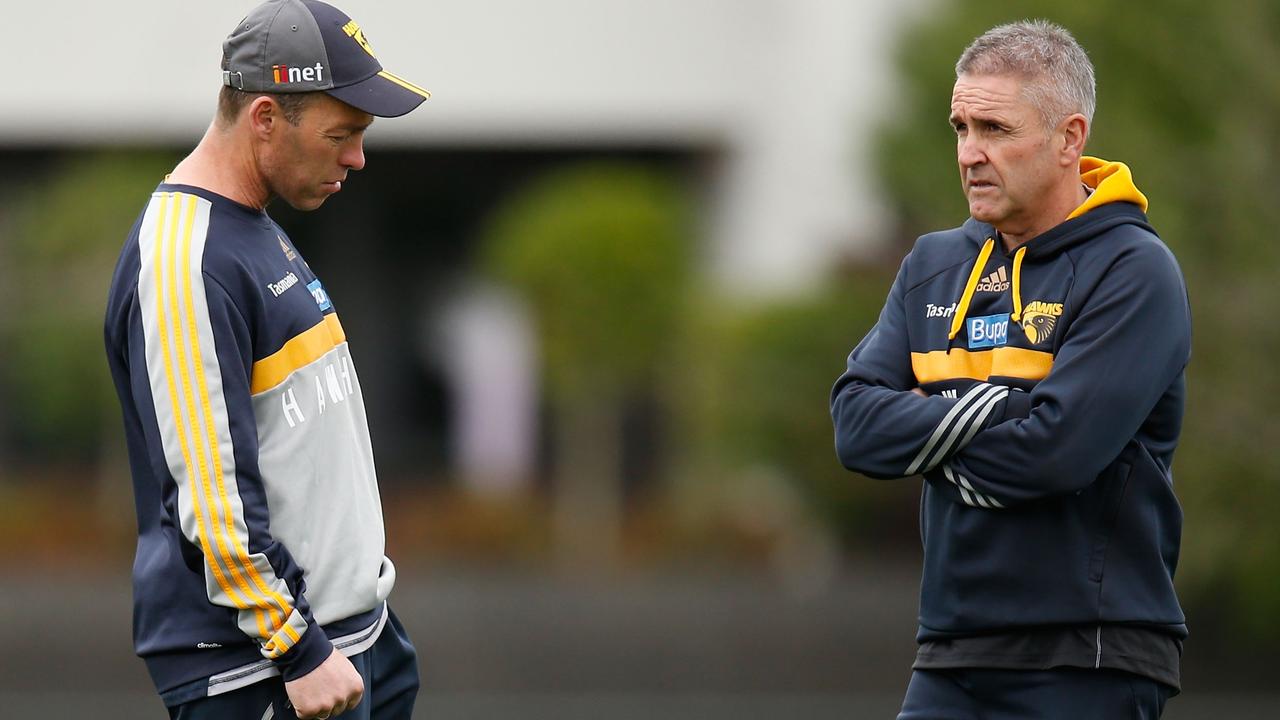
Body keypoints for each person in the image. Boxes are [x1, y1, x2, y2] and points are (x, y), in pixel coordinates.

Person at [830, 20, 1190, 720]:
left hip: (1090, 654)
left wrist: (928, 443)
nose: (969, 153)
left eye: (995, 129)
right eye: (961, 128)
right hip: (950, 650)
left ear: (1068, 139)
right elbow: (854, 426)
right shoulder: (932, 265)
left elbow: (1054, 455)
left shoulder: (1135, 270)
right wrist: (1006, 408)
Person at [103, 1, 431, 718]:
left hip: (350, 639)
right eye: (340, 134)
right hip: (268, 668)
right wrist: (297, 647)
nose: (357, 157)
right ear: (263, 119)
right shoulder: (188, 258)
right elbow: (212, 494)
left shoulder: (248, 226)